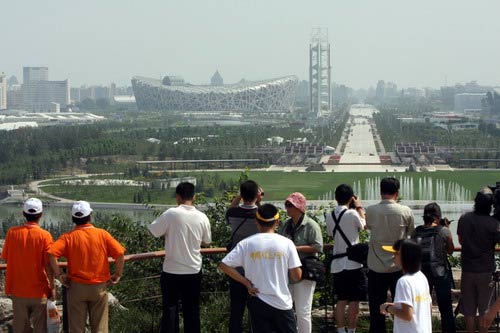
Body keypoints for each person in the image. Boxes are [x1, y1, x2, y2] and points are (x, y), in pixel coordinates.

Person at [219, 203, 302, 333]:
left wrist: (246, 283)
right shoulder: (287, 243)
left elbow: (224, 265)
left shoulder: (246, 243)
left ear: (256, 222)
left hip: (258, 299)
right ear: (277, 222)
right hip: (282, 302)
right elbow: (297, 276)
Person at [48, 200, 125, 333]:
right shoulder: (102, 234)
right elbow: (119, 253)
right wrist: (117, 274)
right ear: (90, 216)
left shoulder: (67, 237)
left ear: (73, 218)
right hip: (99, 287)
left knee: (77, 328)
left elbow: (52, 254)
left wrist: (59, 275)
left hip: (76, 287)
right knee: (100, 327)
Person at [148, 182, 212, 333]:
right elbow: (207, 241)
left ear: (178, 197)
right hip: (193, 269)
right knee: (192, 310)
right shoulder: (202, 217)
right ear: (194, 197)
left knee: (170, 309)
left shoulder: (171, 214)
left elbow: (153, 230)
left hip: (171, 270)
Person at [365, 177, 415, 333]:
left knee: (376, 310)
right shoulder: (405, 211)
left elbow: (367, 227)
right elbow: (411, 234)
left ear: (380, 192)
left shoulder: (371, 210)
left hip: (376, 266)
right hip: (397, 267)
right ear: (397, 193)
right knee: (400, 308)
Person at [1, 198, 54, 333]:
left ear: (23, 214)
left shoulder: (12, 233)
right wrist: (52, 287)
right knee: (40, 328)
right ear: (41, 214)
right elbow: (49, 265)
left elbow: (6, 257)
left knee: (20, 328)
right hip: (39, 291)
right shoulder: (45, 235)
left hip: (18, 290)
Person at [457, 187, 500, 333]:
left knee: (469, 310)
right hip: (486, 270)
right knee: (485, 310)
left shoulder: (464, 219)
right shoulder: (494, 224)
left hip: (467, 269)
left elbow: (461, 240)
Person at [280, 192, 323, 333]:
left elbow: (317, 247)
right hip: (288, 272)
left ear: (299, 207)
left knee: (303, 310)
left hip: (305, 271)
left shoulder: (311, 225)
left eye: (290, 205)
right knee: (285, 308)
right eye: (287, 205)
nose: (287, 208)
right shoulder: (286, 225)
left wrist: (295, 248)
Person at [326, 184, 366, 333]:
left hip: (337, 263)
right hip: (353, 262)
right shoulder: (352, 214)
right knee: (354, 300)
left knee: (341, 300)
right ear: (351, 198)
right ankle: (352, 329)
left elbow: (331, 234)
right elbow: (364, 225)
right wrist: (359, 207)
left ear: (336, 198)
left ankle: (341, 329)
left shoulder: (330, 215)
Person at [225, 180, 263, 333]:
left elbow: (230, 209)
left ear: (241, 194)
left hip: (236, 269)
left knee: (236, 309)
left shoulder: (233, 214)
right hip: (257, 268)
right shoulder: (260, 214)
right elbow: (267, 220)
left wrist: (238, 197)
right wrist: (260, 201)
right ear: (256, 194)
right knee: (258, 309)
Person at [411, 202, 456, 333]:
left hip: (421, 274)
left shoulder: (416, 232)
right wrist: (446, 227)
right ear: (438, 216)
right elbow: (450, 250)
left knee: (421, 308)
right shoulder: (444, 231)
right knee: (446, 309)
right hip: (440, 273)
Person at [380, 239, 432, 333]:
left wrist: (387, 308)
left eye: (396, 254)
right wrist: (397, 306)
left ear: (405, 257)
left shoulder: (403, 282)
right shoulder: (421, 276)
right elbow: (427, 305)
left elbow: (407, 315)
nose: (393, 256)